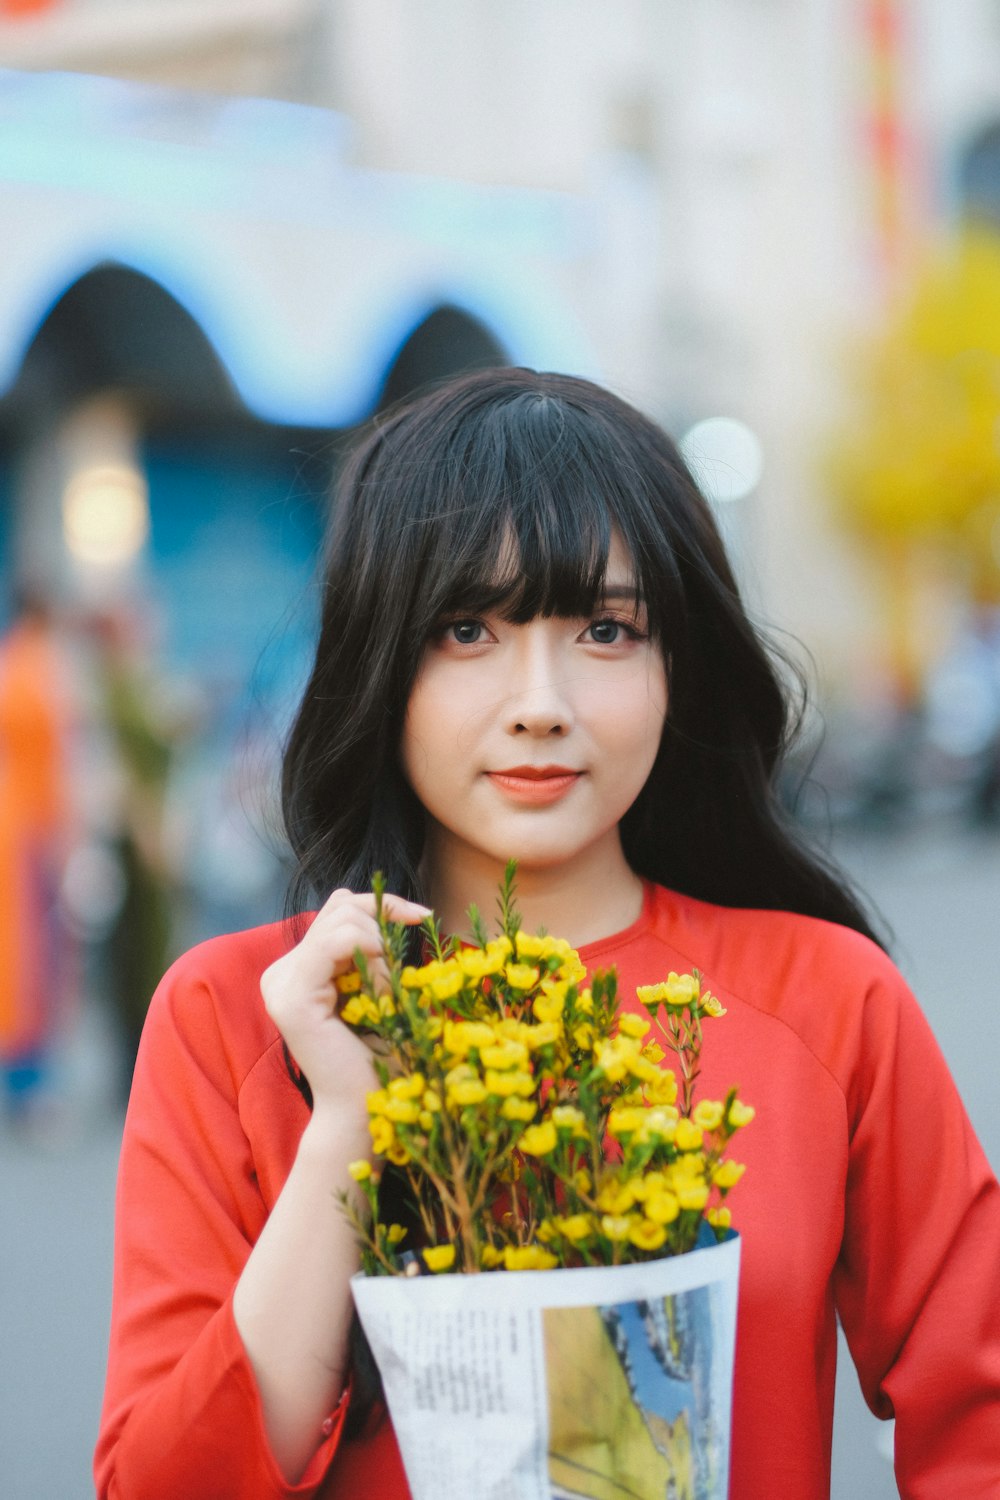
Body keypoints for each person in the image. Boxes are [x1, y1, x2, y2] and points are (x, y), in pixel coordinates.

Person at [95, 369, 1000, 1499]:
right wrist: (343, 1130)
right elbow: (166, 1484)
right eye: (467, 628)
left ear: (679, 665)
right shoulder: (232, 1014)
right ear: (382, 660)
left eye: (607, 630)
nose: (541, 700)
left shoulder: (830, 1003)